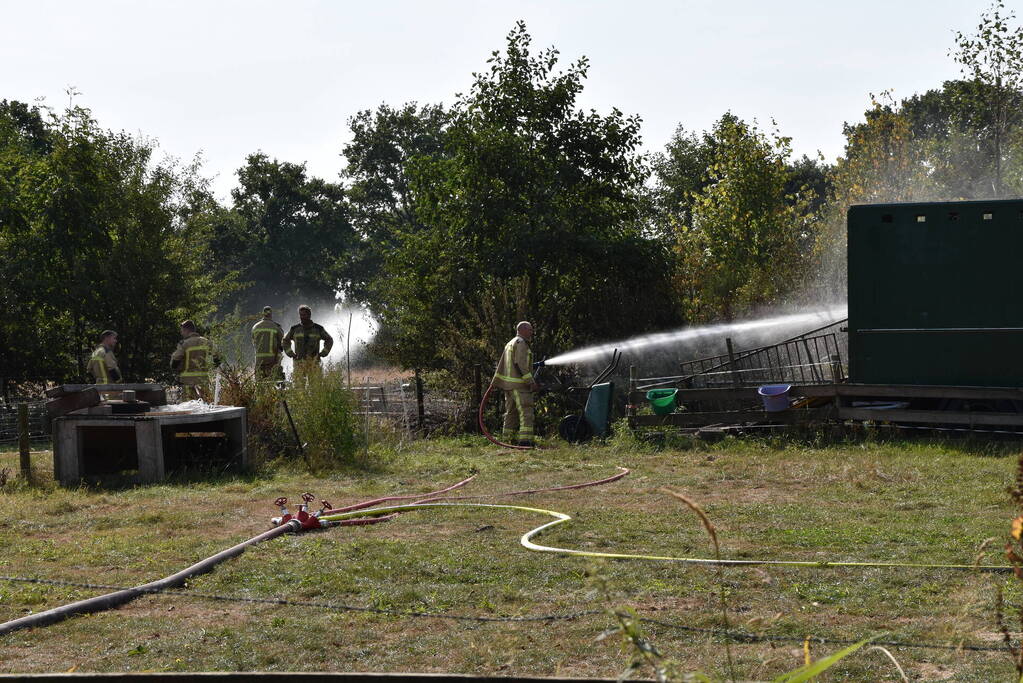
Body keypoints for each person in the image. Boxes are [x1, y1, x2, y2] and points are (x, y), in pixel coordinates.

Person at [492, 321, 539, 446]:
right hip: (520, 386)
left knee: (511, 414)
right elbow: (520, 364)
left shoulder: (510, 343)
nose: (532, 332)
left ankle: (507, 439)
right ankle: (525, 441)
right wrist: (530, 381)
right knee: (526, 412)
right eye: (530, 330)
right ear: (523, 329)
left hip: (508, 386)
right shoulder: (521, 343)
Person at [283, 305, 334, 383]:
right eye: (300, 315)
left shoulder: (318, 329)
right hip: (299, 363)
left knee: (315, 387)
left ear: (309, 315)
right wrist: (291, 354)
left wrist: (323, 353)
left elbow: (329, 340)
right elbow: (285, 341)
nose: (301, 317)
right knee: (299, 388)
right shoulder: (294, 329)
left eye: (304, 315)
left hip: (314, 364)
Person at [170, 320, 214, 400]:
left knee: (188, 406)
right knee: (205, 405)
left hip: (187, 381)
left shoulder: (184, 343)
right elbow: (218, 358)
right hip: (203, 380)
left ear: (186, 330)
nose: (181, 333)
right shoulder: (206, 342)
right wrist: (212, 368)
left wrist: (174, 369)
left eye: (182, 331)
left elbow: (176, 358)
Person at [251, 306, 285, 381]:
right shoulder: (276, 327)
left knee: (259, 383)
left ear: (263, 314)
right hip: (273, 360)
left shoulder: (255, 327)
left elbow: (253, 342)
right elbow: (282, 342)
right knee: (273, 384)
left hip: (259, 360)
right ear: (271, 314)